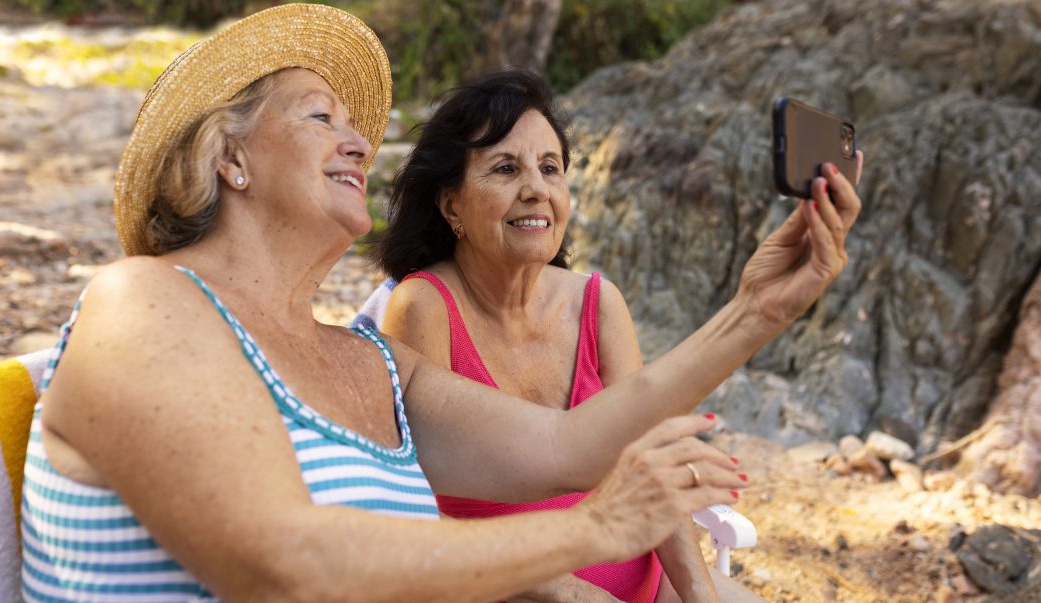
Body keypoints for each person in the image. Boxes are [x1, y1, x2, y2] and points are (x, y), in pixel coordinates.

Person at [19, 5, 852, 603]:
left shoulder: (367, 361)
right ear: (228, 156)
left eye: (358, 125)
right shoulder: (144, 303)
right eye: (321, 116)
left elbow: (570, 444)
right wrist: (593, 530)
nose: (359, 141)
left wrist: (758, 309)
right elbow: (280, 567)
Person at [369, 70, 863, 603]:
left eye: (550, 168)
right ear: (451, 206)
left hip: (648, 586)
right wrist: (568, 591)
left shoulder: (597, 302)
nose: (536, 190)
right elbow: (414, 511)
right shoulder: (423, 309)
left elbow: (652, 464)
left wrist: (700, 594)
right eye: (505, 168)